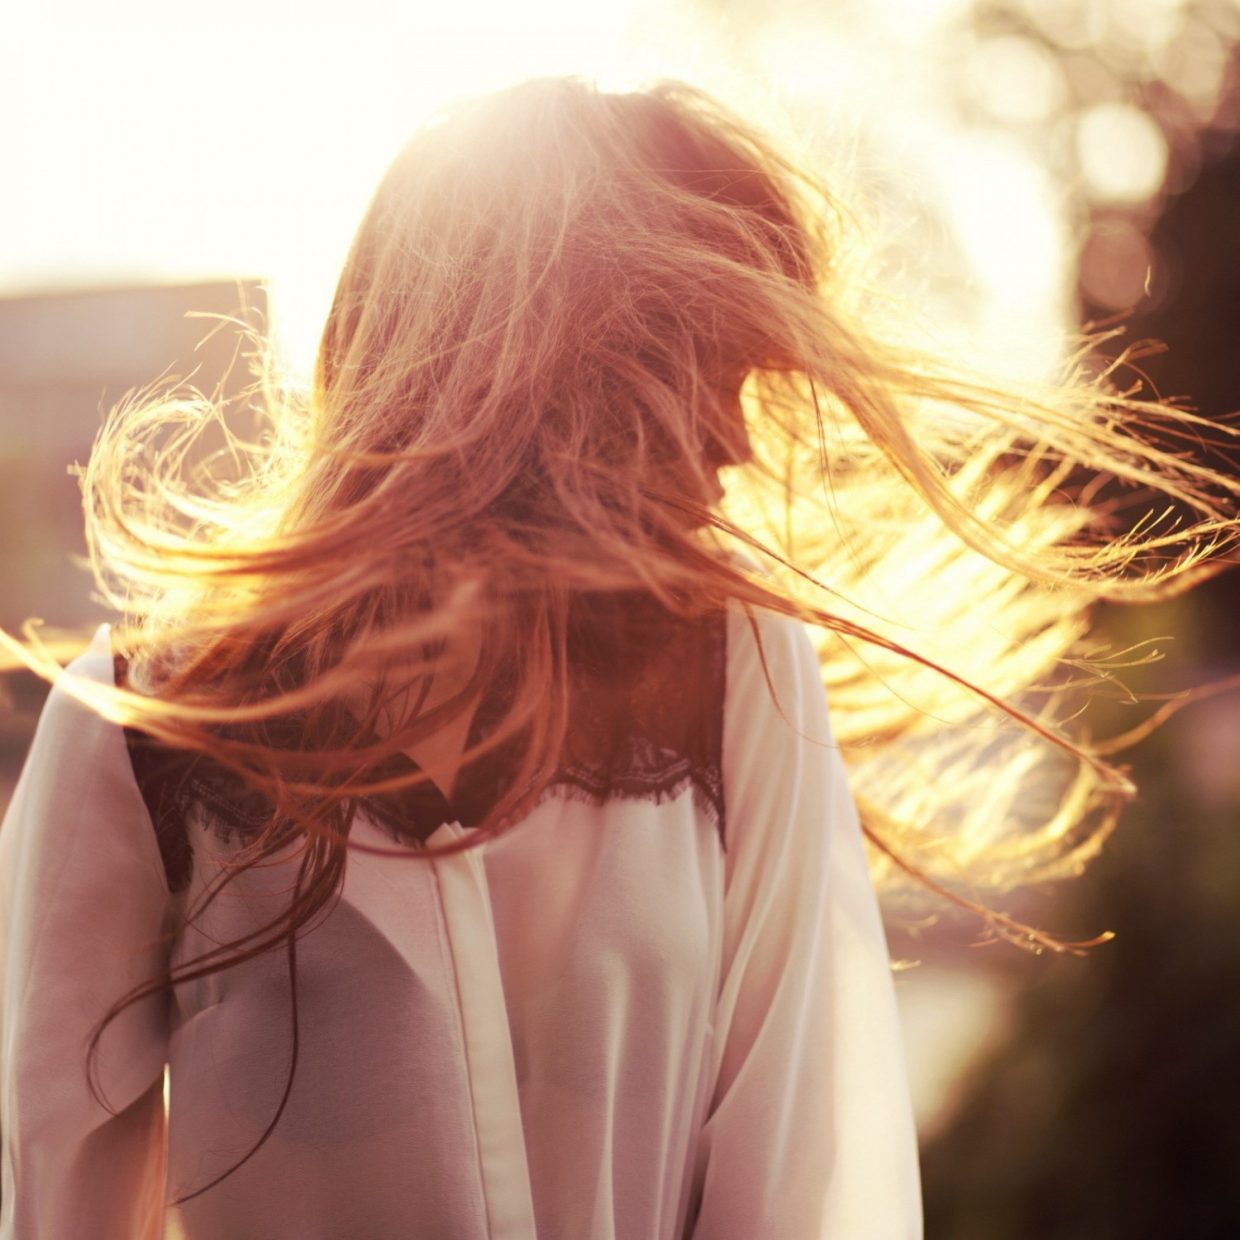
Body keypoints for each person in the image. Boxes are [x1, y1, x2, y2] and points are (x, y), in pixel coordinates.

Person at [0, 75, 1236, 1239]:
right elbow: (50, 1202)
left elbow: (804, 1186)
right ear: (567, 364)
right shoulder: (141, 730)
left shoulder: (737, 672)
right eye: (713, 369)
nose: (739, 446)